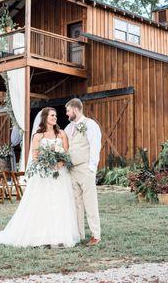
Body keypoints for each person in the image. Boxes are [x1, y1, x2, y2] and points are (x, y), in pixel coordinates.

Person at [0, 107, 80, 248]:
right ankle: (43, 236)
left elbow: (66, 153)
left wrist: (59, 164)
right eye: (52, 115)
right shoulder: (38, 136)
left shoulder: (61, 134)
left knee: (60, 204)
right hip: (44, 175)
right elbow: (35, 157)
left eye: (55, 115)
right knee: (44, 205)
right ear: (45, 118)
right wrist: (48, 164)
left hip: (60, 175)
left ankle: (60, 236)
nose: (55, 117)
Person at [64, 98, 102, 246]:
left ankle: (96, 235)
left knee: (90, 202)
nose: (66, 114)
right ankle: (80, 235)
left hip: (85, 169)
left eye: (68, 110)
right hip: (71, 170)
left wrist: (92, 167)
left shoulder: (90, 124)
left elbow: (95, 146)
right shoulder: (68, 128)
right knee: (77, 204)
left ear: (75, 109)